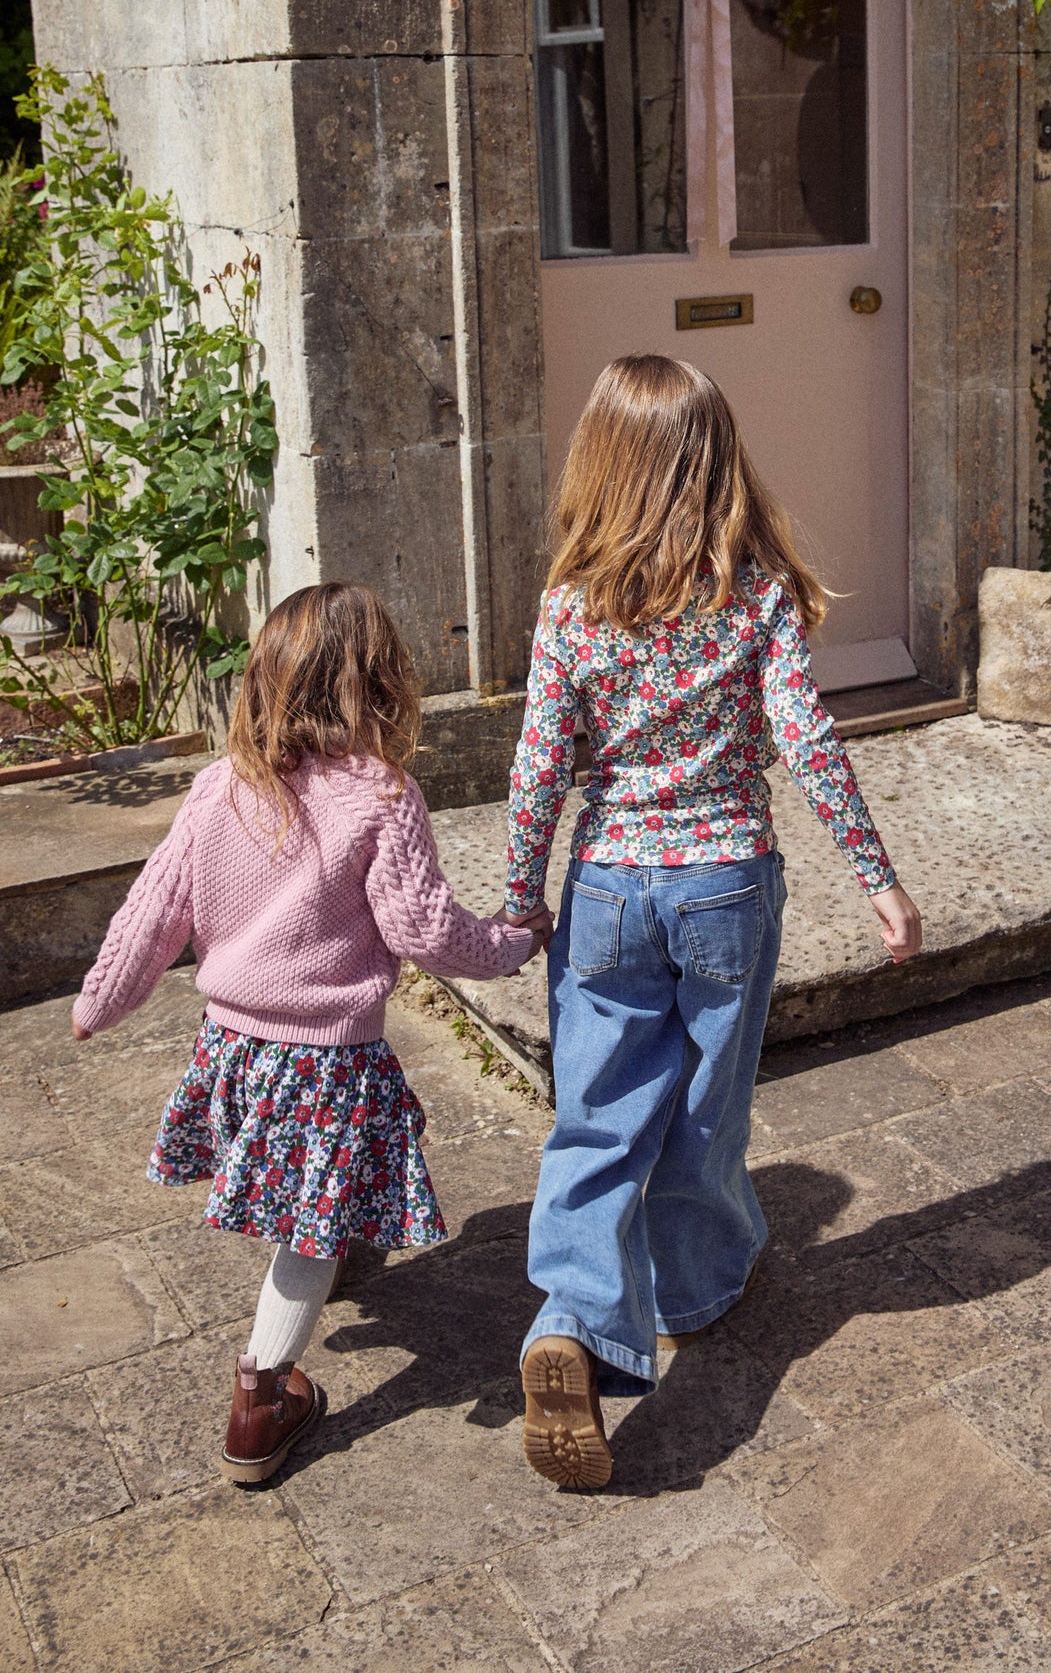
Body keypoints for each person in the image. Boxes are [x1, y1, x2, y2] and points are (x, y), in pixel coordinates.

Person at [506, 354, 923, 1490]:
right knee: (703, 1104)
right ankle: (690, 1288)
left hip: (604, 887)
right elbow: (806, 738)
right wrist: (874, 876)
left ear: (599, 463)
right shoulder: (753, 594)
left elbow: (540, 764)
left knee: (593, 1118)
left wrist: (512, 896)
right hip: (724, 884)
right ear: (715, 459)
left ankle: (574, 1319)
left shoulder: (568, 603)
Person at [71, 583, 545, 1485]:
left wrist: (100, 1002)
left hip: (236, 1045)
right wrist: (513, 945)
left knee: (317, 1188)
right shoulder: (381, 796)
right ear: (381, 682)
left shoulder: (219, 787)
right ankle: (262, 1393)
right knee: (311, 1226)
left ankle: (333, 1263)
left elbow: (151, 915)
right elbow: (424, 933)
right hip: (326, 1060)